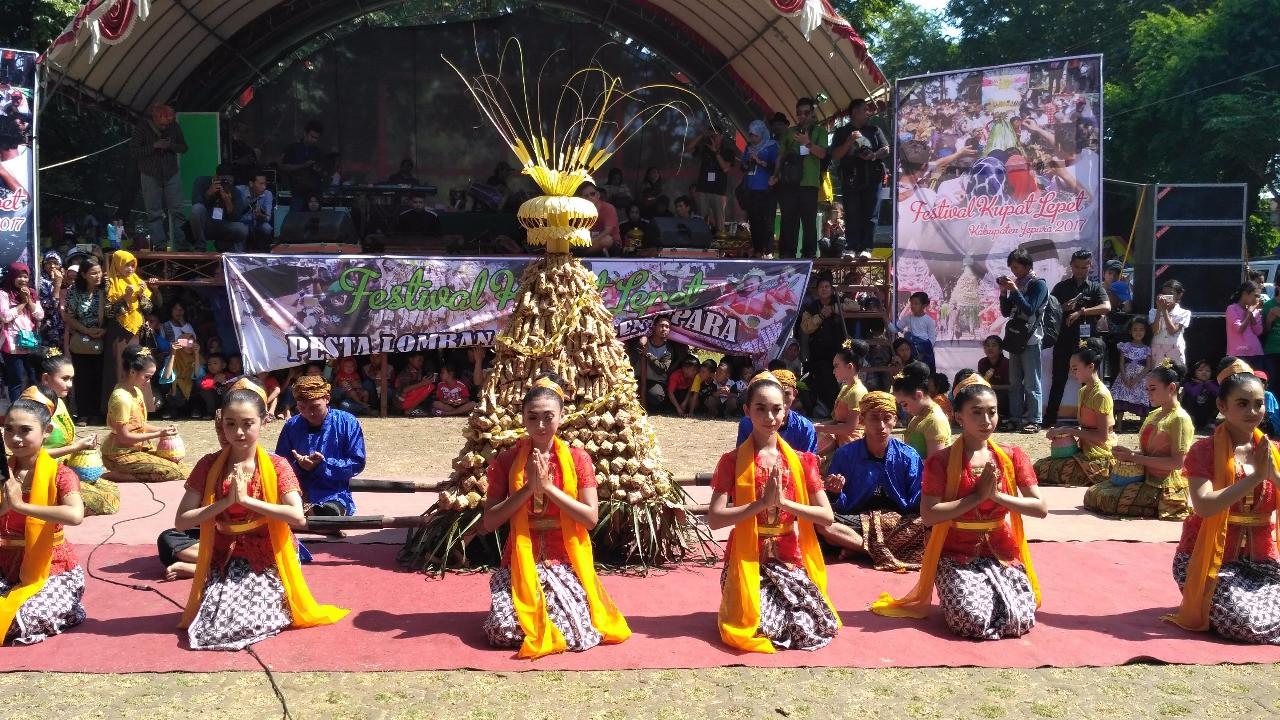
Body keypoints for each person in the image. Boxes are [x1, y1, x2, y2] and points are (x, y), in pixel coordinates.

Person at [175, 382, 348, 650]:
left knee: (247, 623)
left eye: (247, 424)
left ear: (263, 421)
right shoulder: (208, 465)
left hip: (267, 559)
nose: (239, 432)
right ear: (221, 423)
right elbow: (182, 521)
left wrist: (248, 502)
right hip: (224, 558)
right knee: (213, 626)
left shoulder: (277, 465)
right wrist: (224, 503)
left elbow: (297, 516)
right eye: (231, 424)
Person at [871, 379, 1046, 639]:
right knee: (971, 620)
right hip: (955, 555)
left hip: (1002, 551)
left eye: (992, 412)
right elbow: (929, 514)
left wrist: (996, 496)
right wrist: (976, 498)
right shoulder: (940, 462)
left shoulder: (1011, 456)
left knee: (1020, 617)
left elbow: (1039, 508)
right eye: (977, 412)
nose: (986, 420)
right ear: (959, 417)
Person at [480, 374, 630, 657]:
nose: (540, 425)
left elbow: (590, 518)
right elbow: (490, 522)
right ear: (523, 418)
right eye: (532, 417)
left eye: (548, 417)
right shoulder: (507, 460)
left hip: (564, 560)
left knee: (576, 632)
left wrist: (548, 488)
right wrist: (528, 489)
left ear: (561, 416)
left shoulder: (577, 459)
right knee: (501, 630)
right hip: (520, 560)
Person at [709, 372, 839, 652]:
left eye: (776, 409)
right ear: (747, 411)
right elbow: (715, 519)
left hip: (788, 559)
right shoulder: (732, 461)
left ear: (786, 410)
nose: (769, 417)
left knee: (811, 626)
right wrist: (760, 504)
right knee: (763, 626)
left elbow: (826, 516)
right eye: (761, 408)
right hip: (747, 559)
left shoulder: (802, 461)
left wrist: (783, 503)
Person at [1165, 369, 1280, 644]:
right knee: (1244, 622)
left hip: (1260, 563)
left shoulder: (1273, 451)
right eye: (1242, 403)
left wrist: (1274, 476)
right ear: (1222, 406)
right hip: (1207, 561)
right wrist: (1255, 477)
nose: (1252, 411)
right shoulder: (1203, 451)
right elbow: (1204, 507)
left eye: (1258, 404)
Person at [0, 397, 86, 645]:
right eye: (9, 430)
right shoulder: (4, 473)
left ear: (46, 431)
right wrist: (3, 507)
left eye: (25, 430)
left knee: (22, 619)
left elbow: (75, 515)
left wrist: (20, 506)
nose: (15, 438)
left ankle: (70, 609)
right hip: (5, 568)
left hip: (50, 570)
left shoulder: (60, 473)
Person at [819, 390, 925, 570]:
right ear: (862, 420)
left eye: (887, 418)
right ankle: (875, 551)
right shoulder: (845, 454)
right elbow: (838, 506)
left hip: (897, 523)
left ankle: (855, 546)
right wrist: (835, 493)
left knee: (927, 525)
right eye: (874, 418)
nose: (881, 425)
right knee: (823, 524)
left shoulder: (909, 456)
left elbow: (916, 503)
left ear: (895, 420)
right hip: (858, 519)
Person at [1084, 360, 1193, 520]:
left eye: (1153, 389)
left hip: (1164, 486)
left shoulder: (1180, 419)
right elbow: (1150, 453)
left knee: (1106, 499)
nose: (1149, 394)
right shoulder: (1155, 414)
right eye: (1147, 389)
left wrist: (1134, 457)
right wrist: (1129, 454)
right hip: (1145, 477)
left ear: (1171, 388)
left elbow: (1177, 463)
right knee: (1093, 493)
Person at [22, 353, 115, 516]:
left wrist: (82, 445)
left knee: (110, 491)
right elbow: (30, 454)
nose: (70, 384)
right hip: (41, 473)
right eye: (65, 379)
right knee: (103, 499)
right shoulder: (34, 407)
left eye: (71, 379)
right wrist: (75, 447)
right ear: (46, 378)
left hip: (63, 468)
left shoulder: (57, 400)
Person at [274, 375, 366, 517]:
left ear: (327, 398)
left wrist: (323, 465)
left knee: (329, 513)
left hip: (334, 494)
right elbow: (280, 464)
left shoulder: (347, 422)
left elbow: (357, 463)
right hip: (296, 493)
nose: (309, 413)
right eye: (302, 407)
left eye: (315, 407)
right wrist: (300, 466)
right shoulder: (291, 426)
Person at [1034, 338, 1115, 486]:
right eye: (1071, 368)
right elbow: (1086, 428)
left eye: (1075, 368)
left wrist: (1068, 430)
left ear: (1090, 367)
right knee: (1039, 467)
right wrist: (1062, 430)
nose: (1072, 372)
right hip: (1085, 449)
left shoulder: (1101, 395)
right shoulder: (1083, 391)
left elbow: (1102, 437)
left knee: (1044, 470)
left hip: (1100, 454)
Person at [102, 345, 185, 483]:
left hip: (136, 449)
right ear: (132, 372)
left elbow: (139, 425)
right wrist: (158, 434)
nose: (148, 381)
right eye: (146, 377)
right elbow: (123, 437)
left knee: (180, 466)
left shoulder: (136, 391)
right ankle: (114, 475)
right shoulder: (121, 398)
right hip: (119, 454)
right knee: (171, 471)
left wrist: (163, 430)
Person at [1044, 250, 1110, 425]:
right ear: (1071, 266)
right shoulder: (1061, 287)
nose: (1080, 270)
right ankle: (1049, 419)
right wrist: (1063, 308)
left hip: (1086, 343)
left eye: (1084, 267)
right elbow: (1049, 310)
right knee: (1058, 379)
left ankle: (1088, 420)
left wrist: (1082, 312)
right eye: (1077, 267)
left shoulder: (1095, 287)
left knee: (1088, 382)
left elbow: (1106, 307)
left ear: (1090, 267)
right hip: (1063, 340)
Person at [997, 249, 1048, 433]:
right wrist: (1004, 293)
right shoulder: (1017, 284)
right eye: (1011, 268)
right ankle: (1015, 418)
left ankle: (1034, 419)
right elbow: (1006, 312)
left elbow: (1029, 309)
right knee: (1015, 382)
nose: (1014, 271)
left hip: (1031, 339)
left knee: (1032, 382)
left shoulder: (1038, 285)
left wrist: (1015, 290)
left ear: (1027, 266)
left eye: (1016, 267)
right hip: (1015, 338)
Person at [831, 98, 889, 257]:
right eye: (865, 110)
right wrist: (849, 141)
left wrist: (873, 155)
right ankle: (851, 247)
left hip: (872, 177)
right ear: (855, 112)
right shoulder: (842, 132)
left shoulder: (874, 129)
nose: (868, 113)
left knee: (870, 214)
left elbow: (886, 149)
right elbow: (835, 155)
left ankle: (866, 248)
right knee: (852, 213)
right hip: (850, 178)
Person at [774, 97, 828, 259]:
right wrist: (775, 174)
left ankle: (809, 256)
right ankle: (786, 255)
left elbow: (822, 154)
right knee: (788, 220)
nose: (802, 116)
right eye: (799, 113)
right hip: (789, 182)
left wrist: (807, 143)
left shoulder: (820, 132)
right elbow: (780, 155)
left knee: (809, 221)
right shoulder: (790, 132)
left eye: (806, 113)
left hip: (809, 183)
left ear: (812, 113)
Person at [130, 104, 187, 250]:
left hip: (171, 172)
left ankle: (183, 246)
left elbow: (183, 147)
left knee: (177, 210)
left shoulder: (174, 126)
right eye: (162, 124)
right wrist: (154, 146)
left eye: (168, 123)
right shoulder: (142, 127)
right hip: (149, 173)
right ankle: (160, 246)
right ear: (155, 118)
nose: (165, 126)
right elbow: (134, 151)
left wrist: (170, 146)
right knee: (153, 213)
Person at [104, 250, 158, 396]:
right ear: (117, 265)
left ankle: (140, 401)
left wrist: (141, 295)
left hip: (137, 332)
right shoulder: (110, 283)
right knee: (119, 367)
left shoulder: (138, 281)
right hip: (118, 333)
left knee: (140, 365)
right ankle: (119, 401)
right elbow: (108, 313)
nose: (130, 269)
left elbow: (148, 309)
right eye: (126, 265)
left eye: (132, 265)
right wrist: (125, 299)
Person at [62, 255, 107, 426]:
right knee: (82, 377)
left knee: (99, 376)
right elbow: (69, 316)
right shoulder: (74, 291)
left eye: (99, 272)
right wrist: (87, 330)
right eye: (93, 273)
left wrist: (104, 330)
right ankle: (83, 413)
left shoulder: (105, 290)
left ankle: (97, 412)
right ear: (84, 274)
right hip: (81, 339)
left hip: (103, 338)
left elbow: (112, 313)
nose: (98, 276)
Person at [799, 273, 848, 414]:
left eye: (827, 287)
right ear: (817, 290)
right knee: (825, 381)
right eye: (821, 287)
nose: (824, 289)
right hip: (819, 353)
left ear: (831, 289)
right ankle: (831, 411)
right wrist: (820, 316)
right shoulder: (811, 307)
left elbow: (855, 306)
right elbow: (805, 327)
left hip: (840, 351)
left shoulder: (840, 300)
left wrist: (833, 309)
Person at [736, 370, 818, 453]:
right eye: (761, 409)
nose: (781, 399)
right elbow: (741, 455)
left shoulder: (805, 427)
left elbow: (808, 459)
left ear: (794, 394)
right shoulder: (748, 423)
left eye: (786, 394)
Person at [815, 340, 869, 454]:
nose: (833, 371)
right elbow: (837, 421)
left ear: (849, 366)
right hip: (840, 439)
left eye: (836, 366)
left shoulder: (857, 391)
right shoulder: (845, 388)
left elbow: (850, 428)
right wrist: (816, 426)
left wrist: (819, 428)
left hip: (852, 444)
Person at [0, 261, 43, 403]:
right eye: (19, 276)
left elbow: (40, 315)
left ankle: (33, 408)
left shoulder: (32, 293)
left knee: (33, 377)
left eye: (25, 276)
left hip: (29, 342)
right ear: (12, 276)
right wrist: (23, 303)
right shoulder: (4, 294)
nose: (23, 280)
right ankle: (15, 410)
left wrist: (29, 300)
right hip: (12, 344)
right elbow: (5, 316)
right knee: (16, 378)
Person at [893, 361, 951, 460]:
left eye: (904, 404)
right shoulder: (918, 417)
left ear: (918, 395)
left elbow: (935, 464)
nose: (904, 409)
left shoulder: (934, 421)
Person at [190, 164, 250, 253]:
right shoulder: (202, 181)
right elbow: (196, 203)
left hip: (223, 224)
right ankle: (200, 247)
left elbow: (236, 218)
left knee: (242, 229)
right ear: (216, 177)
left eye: (229, 181)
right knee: (197, 208)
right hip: (206, 223)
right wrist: (208, 193)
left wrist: (228, 201)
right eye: (223, 181)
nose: (226, 184)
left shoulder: (235, 191)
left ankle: (222, 245)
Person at [740, 119, 779, 257]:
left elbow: (776, 166)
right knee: (754, 220)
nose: (752, 138)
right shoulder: (749, 147)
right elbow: (742, 165)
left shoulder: (772, 145)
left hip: (766, 189)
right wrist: (747, 162)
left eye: (755, 135)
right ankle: (757, 250)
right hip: (751, 188)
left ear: (762, 133)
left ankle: (768, 251)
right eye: (750, 135)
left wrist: (760, 161)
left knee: (767, 221)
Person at [688, 127, 737, 233]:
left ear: (721, 136)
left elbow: (725, 168)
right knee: (702, 219)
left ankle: (719, 239)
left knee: (719, 220)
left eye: (716, 135)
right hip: (703, 188)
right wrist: (702, 135)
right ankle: (703, 238)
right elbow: (689, 148)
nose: (713, 137)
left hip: (718, 190)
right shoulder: (705, 148)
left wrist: (716, 152)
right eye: (711, 135)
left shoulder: (727, 151)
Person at [633, 316, 686, 412]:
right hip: (639, 378)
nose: (664, 329)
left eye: (667, 327)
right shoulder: (644, 341)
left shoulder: (668, 349)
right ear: (654, 327)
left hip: (656, 381)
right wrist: (641, 343)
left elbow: (661, 369)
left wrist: (649, 355)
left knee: (656, 396)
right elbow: (634, 353)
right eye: (661, 326)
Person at [1111, 316, 1153, 428]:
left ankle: (1142, 426)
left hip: (1140, 379)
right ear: (1130, 331)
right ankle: (1119, 425)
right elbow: (1121, 363)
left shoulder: (1147, 349)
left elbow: (1148, 366)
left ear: (1145, 331)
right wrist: (1124, 378)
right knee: (1121, 397)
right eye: (1135, 329)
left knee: (1142, 399)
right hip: (1125, 378)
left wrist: (1137, 379)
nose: (1138, 332)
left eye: (1141, 330)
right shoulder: (1125, 346)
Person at [279, 121, 326, 208]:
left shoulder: (318, 152)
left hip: (314, 194)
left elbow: (324, 172)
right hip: (298, 192)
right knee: (296, 214)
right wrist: (303, 165)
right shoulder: (292, 148)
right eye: (312, 136)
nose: (314, 140)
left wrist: (319, 170)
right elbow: (283, 166)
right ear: (305, 133)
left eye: (316, 138)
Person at [1149, 280, 1191, 367]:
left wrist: (1164, 311)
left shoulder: (1184, 313)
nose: (1166, 296)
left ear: (1179, 295)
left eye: (1170, 293)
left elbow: (1172, 331)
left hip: (1175, 350)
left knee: (1175, 373)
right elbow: (1155, 331)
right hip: (1158, 350)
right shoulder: (1153, 312)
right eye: (1164, 293)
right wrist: (1159, 309)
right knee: (1158, 373)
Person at [1226, 281, 1265, 369]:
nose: (1257, 299)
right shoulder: (1232, 309)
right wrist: (1248, 313)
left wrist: (1251, 314)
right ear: (1245, 294)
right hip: (1239, 353)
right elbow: (1239, 329)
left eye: (1258, 296)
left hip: (1256, 353)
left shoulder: (1255, 311)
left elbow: (1258, 332)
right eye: (1255, 295)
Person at [897, 291, 937, 370]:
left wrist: (923, 353)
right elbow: (896, 328)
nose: (912, 306)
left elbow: (932, 339)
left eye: (916, 304)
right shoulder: (908, 318)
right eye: (911, 304)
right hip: (912, 352)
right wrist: (886, 320)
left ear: (924, 305)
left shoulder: (929, 320)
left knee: (926, 372)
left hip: (925, 352)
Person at [238, 171, 274, 252]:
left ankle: (263, 252)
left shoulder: (267, 194)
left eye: (265, 184)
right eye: (261, 184)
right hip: (242, 222)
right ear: (251, 184)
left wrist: (260, 215)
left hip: (257, 223)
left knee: (267, 228)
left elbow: (268, 217)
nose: (264, 187)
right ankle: (239, 254)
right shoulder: (239, 191)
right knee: (241, 230)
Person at [37, 251, 65, 351]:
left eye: (55, 263)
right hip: (48, 327)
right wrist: (57, 285)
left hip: (63, 327)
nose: (52, 266)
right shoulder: (40, 281)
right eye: (49, 263)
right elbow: (49, 307)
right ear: (44, 265)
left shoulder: (65, 278)